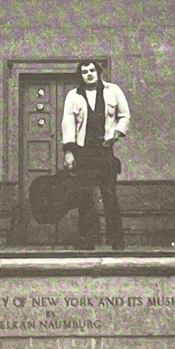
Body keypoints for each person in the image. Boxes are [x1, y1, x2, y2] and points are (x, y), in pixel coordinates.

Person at [60, 58, 130, 251]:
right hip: (83, 152)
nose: (89, 74)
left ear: (98, 72)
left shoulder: (112, 90)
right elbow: (68, 124)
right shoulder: (73, 96)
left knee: (109, 195)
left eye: (92, 70)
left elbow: (125, 115)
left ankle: (117, 241)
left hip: (104, 151)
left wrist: (116, 134)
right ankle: (87, 240)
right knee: (85, 196)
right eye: (84, 72)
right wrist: (70, 151)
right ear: (80, 76)